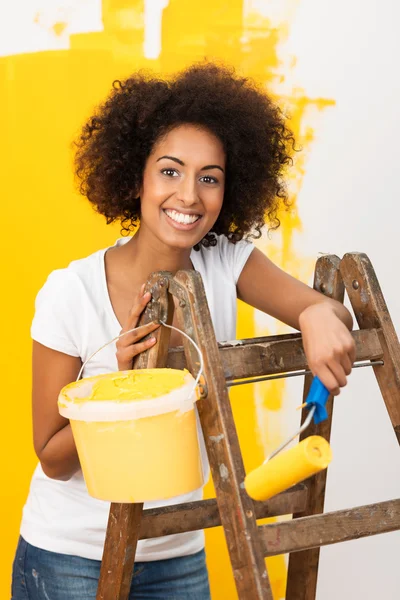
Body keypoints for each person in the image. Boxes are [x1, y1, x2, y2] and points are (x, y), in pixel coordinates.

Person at [11, 62, 355, 599]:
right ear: (136, 177)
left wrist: (314, 313)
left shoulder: (225, 263)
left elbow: (334, 315)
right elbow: (51, 459)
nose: (189, 196)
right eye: (170, 171)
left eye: (209, 178)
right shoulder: (69, 292)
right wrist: (115, 393)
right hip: (73, 556)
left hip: (177, 550)